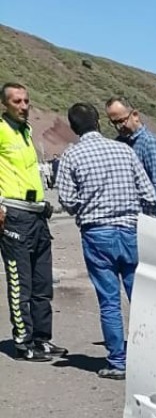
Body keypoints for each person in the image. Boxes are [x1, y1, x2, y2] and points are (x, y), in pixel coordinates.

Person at [55, 102, 156, 379]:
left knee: (109, 302)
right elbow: (149, 194)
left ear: (74, 128)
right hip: (129, 229)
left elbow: (66, 197)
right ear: (99, 121)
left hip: (97, 233)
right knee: (140, 297)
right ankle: (152, 356)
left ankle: (118, 361)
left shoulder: (72, 156)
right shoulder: (124, 150)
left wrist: (84, 208)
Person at [0, 82, 64, 358]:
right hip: (14, 216)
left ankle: (42, 338)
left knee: (42, 284)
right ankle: (22, 343)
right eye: (17, 101)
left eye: (26, 101)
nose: (24, 106)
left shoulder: (25, 131)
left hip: (37, 215)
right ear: (5, 104)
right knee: (20, 283)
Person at [105, 97, 156, 221]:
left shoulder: (150, 144)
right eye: (114, 123)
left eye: (122, 121)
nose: (119, 127)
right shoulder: (119, 143)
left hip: (147, 222)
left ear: (135, 115)